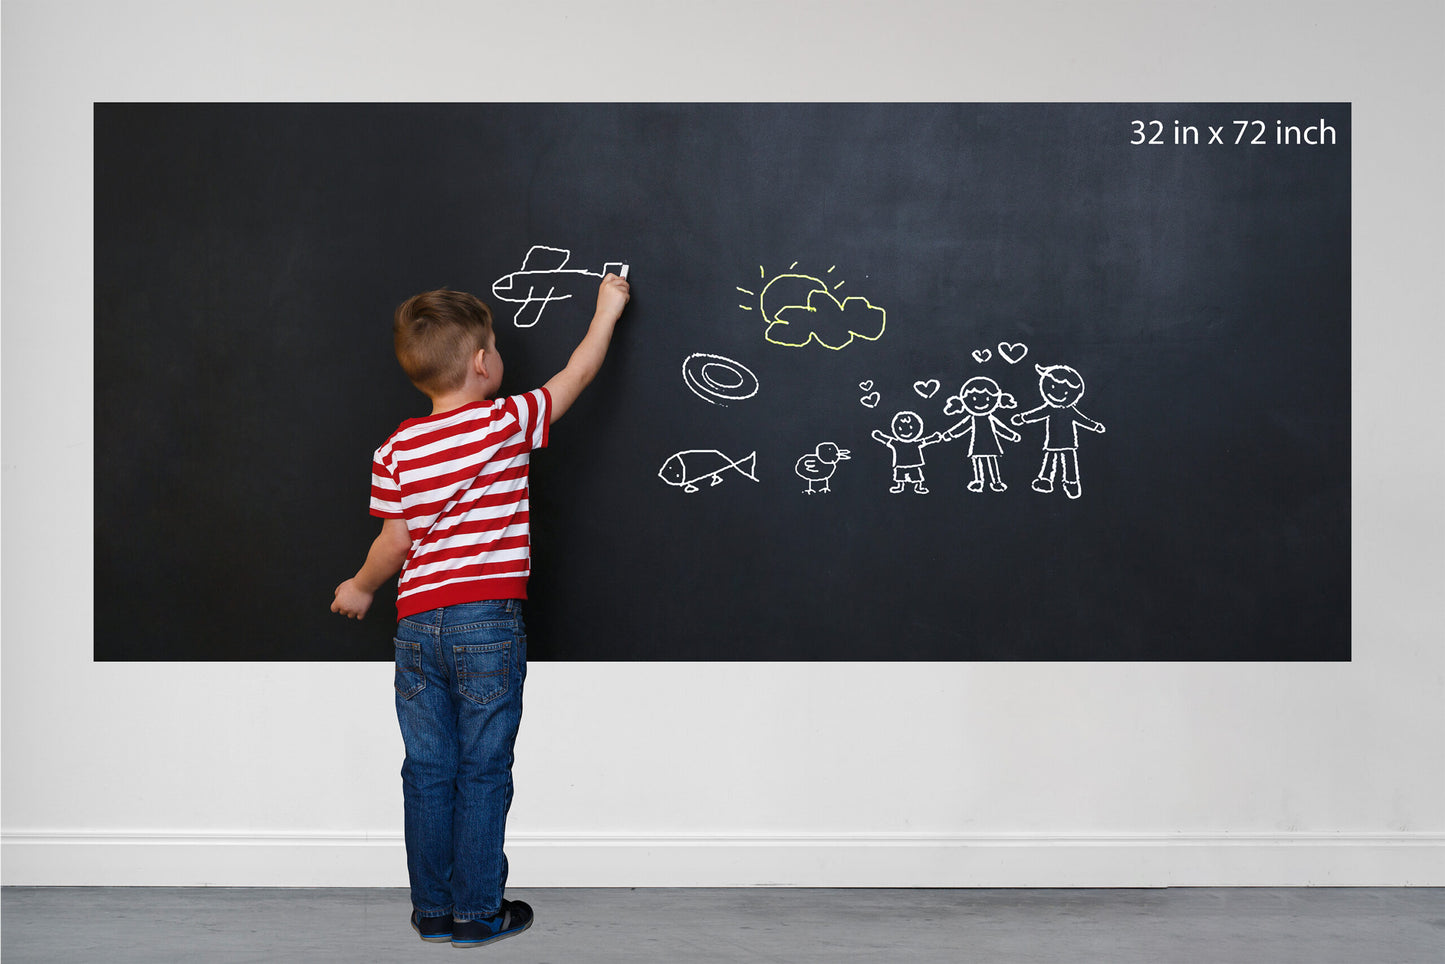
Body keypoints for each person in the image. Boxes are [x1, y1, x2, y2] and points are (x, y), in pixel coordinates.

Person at [331, 275, 631, 947]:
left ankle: (432, 909)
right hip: (485, 624)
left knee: (428, 770)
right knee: (484, 768)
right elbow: (575, 376)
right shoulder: (504, 422)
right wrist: (606, 310)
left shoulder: (397, 449)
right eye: (494, 344)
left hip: (416, 626)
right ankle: (476, 913)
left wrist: (359, 586)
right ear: (481, 363)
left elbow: (394, 541)